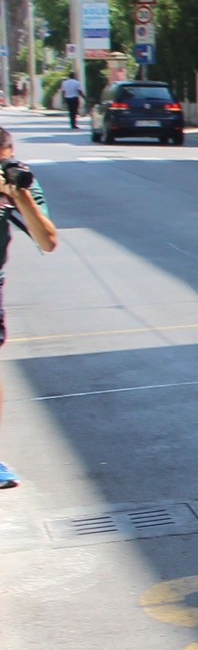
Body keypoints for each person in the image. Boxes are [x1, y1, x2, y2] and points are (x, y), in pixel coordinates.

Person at [0, 128, 60, 490]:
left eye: (6, 159)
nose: (5, 167)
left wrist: (20, 197)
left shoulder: (18, 185)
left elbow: (48, 241)